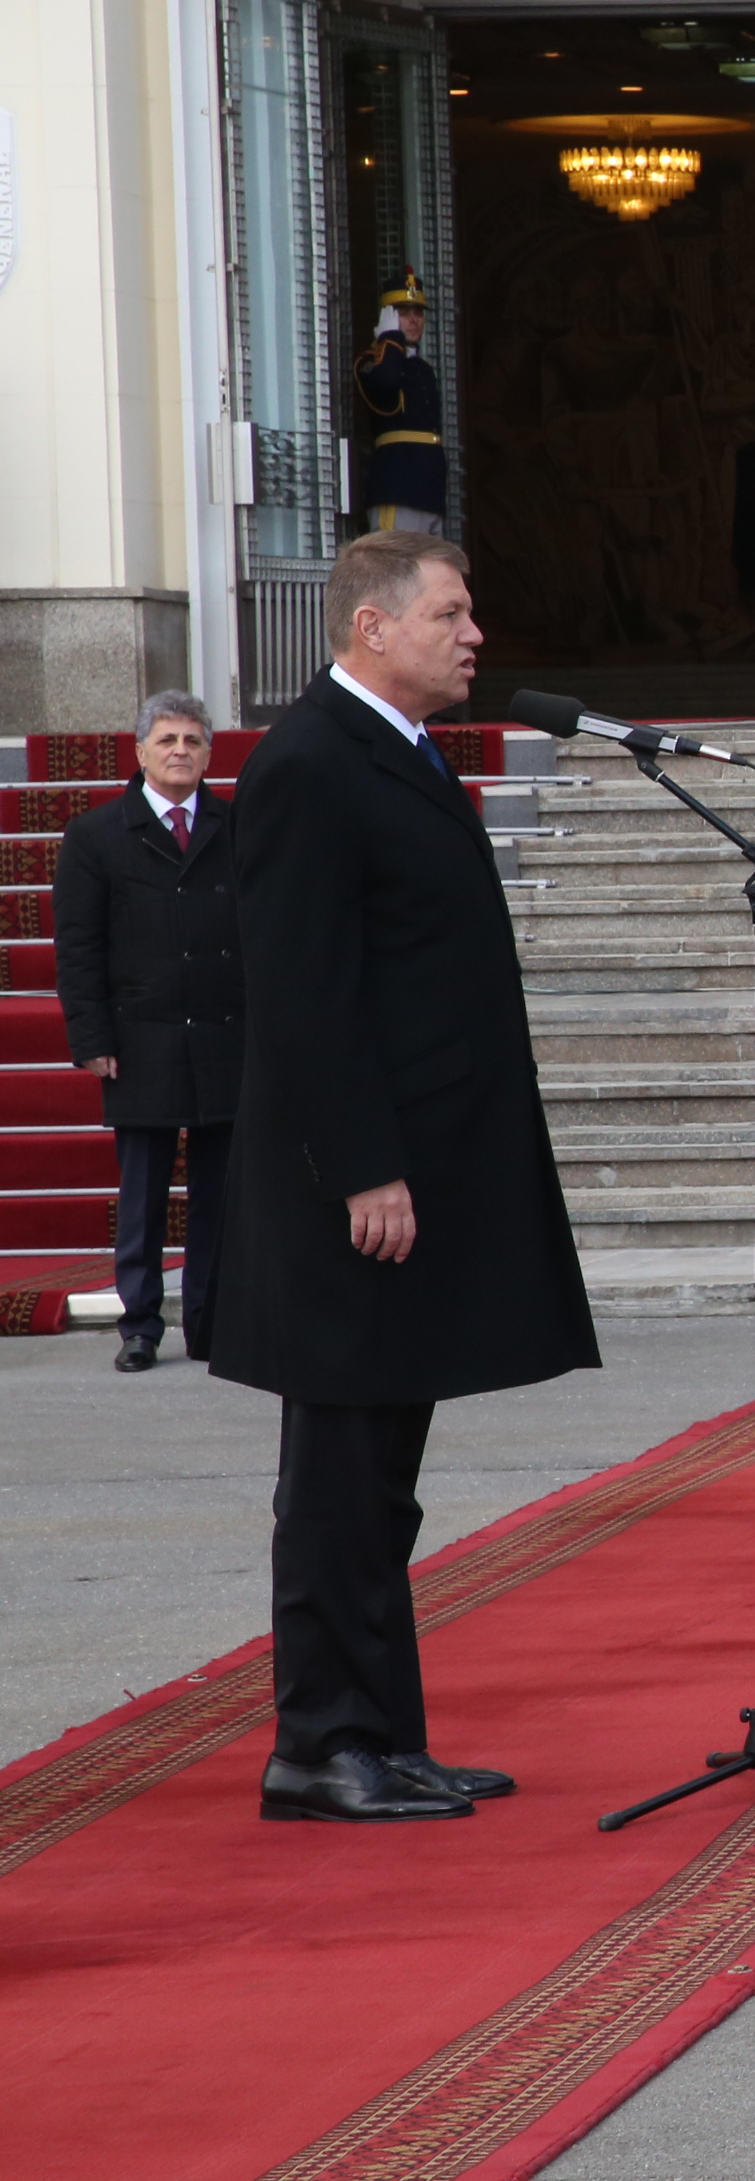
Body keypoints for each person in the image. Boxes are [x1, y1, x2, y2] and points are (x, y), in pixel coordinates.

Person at [220, 531, 599, 1823]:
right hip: (348, 1196)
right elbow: (304, 992)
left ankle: (385, 1733)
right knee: (337, 1478)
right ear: (372, 627)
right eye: (450, 612)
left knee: (383, 1477)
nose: (474, 632)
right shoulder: (311, 765)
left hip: (411, 1174)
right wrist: (363, 1169)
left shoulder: (399, 751)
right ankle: (320, 1744)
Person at [54, 690, 240, 1375]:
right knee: (144, 1192)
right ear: (140, 752)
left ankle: (212, 1321)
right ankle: (139, 1324)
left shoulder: (236, 824)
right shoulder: (97, 835)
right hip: (142, 1041)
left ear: (208, 753)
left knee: (222, 1193)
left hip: (226, 1036)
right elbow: (78, 947)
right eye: (167, 741)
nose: (181, 752)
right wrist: (91, 1036)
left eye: (193, 741)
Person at [352, 274, 448, 539]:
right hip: (398, 486)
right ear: (388, 318)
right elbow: (386, 384)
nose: (414, 319)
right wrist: (389, 338)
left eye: (418, 312)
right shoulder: (371, 362)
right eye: (404, 313)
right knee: (396, 572)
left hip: (428, 490)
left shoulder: (423, 368)